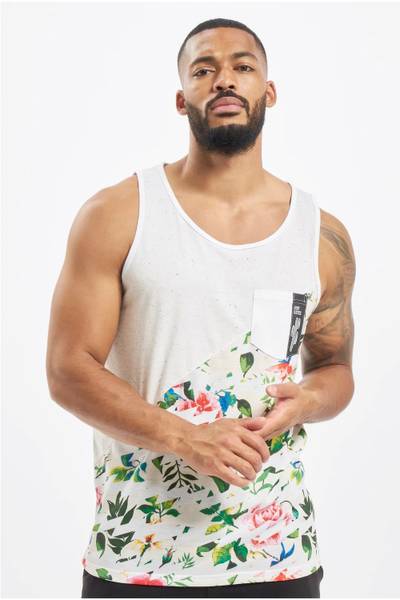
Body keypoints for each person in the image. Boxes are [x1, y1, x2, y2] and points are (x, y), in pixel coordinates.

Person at [46, 17, 355, 599]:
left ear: (269, 91)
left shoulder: (321, 236)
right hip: (137, 559)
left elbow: (335, 368)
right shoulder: (118, 213)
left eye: (243, 66)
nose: (224, 80)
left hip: (278, 562)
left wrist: (310, 400)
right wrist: (188, 438)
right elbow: (67, 370)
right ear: (181, 98)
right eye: (204, 69)